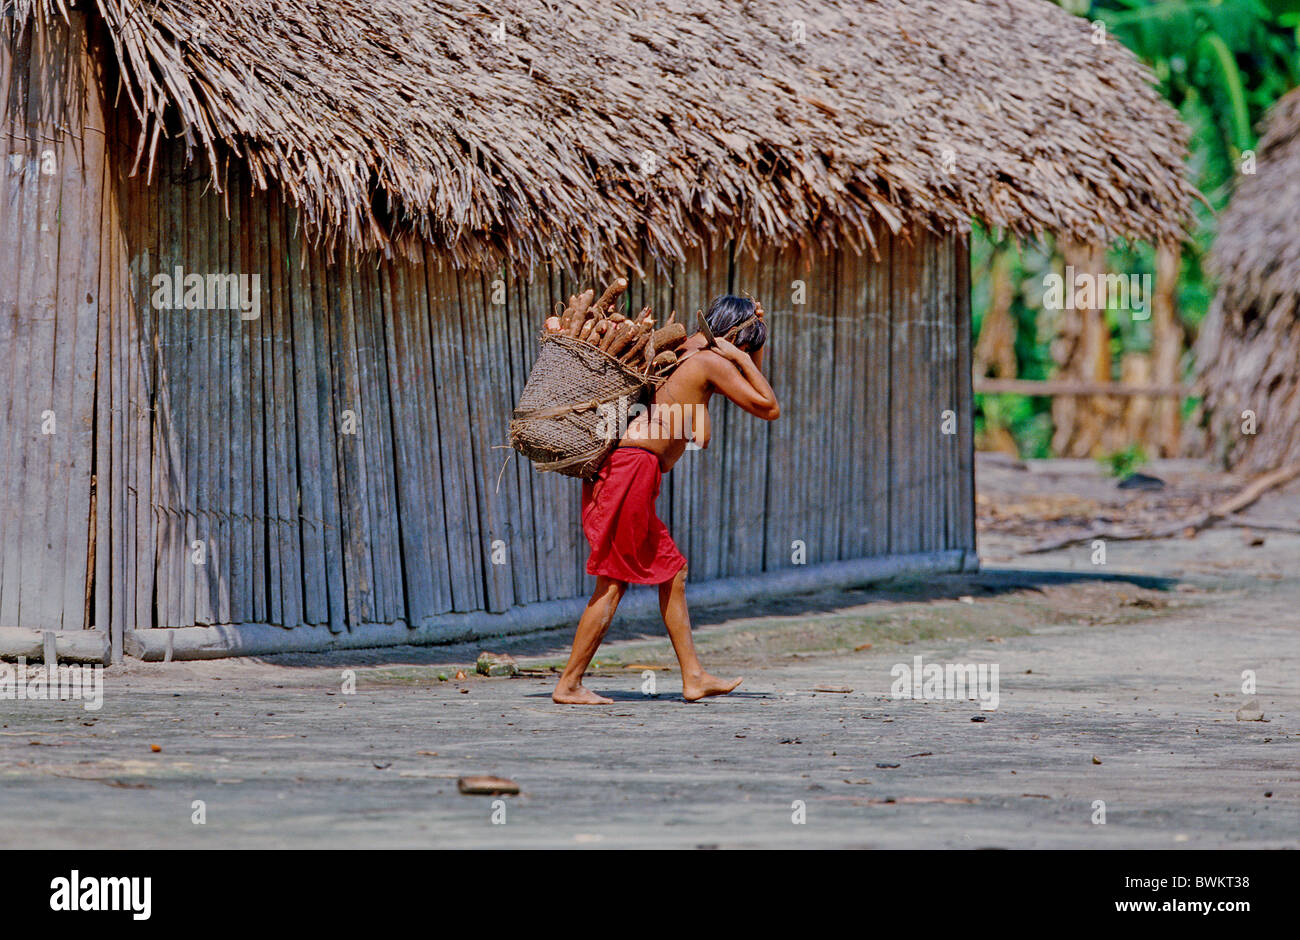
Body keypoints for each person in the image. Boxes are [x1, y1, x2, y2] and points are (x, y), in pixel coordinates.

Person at [552, 294, 781, 705]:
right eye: (745, 345)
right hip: (630, 470)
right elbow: (767, 407)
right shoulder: (712, 361)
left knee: (672, 570)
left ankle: (694, 677)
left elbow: (707, 419)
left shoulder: (683, 349)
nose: (744, 356)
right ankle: (568, 684)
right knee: (613, 580)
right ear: (733, 340)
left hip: (633, 469)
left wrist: (750, 349)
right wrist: (745, 360)